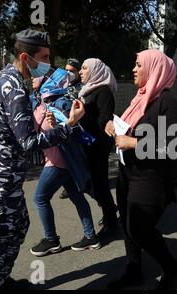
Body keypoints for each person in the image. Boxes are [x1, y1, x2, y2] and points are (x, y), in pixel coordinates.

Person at [0, 29, 85, 290]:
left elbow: (8, 128)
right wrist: (68, 125)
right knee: (5, 231)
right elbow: (28, 143)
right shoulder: (15, 89)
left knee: (17, 225)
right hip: (4, 172)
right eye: (44, 57)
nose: (48, 63)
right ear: (26, 57)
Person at [104, 49, 177, 290]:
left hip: (152, 178)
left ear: (154, 69)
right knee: (128, 225)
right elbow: (129, 128)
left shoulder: (167, 102)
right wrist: (113, 126)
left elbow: (174, 144)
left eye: (139, 65)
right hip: (129, 173)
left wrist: (134, 143)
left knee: (139, 227)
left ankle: (171, 267)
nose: (134, 69)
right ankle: (133, 268)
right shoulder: (140, 98)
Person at [29, 70, 101, 257]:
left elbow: (72, 127)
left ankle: (51, 240)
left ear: (46, 79)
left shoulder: (60, 101)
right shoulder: (40, 99)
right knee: (77, 198)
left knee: (40, 198)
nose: (31, 78)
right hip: (56, 158)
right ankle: (91, 237)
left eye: (35, 75)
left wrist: (57, 125)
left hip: (58, 159)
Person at [78, 58, 119, 237]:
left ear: (96, 71)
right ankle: (109, 211)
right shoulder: (87, 90)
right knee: (91, 182)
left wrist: (82, 116)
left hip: (98, 144)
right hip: (87, 142)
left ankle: (111, 220)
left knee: (100, 183)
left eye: (85, 68)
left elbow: (104, 119)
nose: (80, 71)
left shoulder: (103, 92)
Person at [59, 58, 83, 200]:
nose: (68, 73)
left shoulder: (83, 87)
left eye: (72, 71)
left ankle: (80, 184)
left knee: (77, 157)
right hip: (63, 126)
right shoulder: (61, 85)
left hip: (78, 127)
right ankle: (69, 186)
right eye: (66, 70)